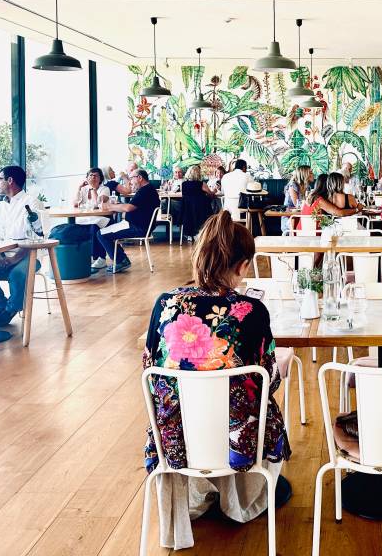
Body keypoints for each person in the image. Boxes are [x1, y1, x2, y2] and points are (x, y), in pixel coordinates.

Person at [143, 210, 289, 548]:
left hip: (176, 436)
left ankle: (198, 491)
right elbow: (270, 379)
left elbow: (150, 370)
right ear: (241, 266)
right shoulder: (252, 311)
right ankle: (240, 498)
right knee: (263, 402)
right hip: (239, 438)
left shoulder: (164, 304)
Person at [0, 165, 41, 327]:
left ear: (10, 181)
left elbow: (36, 236)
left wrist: (16, 258)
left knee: (18, 274)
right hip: (2, 253)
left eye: (0, 179)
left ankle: (11, 310)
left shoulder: (31, 202)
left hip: (27, 254)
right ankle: (0, 307)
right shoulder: (0, 205)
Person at [97, 168, 160, 273]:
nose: (130, 182)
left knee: (101, 234)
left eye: (131, 178)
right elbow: (130, 206)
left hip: (136, 227)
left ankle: (121, 261)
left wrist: (108, 206)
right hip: (138, 225)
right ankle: (121, 259)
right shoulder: (148, 189)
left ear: (139, 178)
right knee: (106, 230)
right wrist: (114, 206)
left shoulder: (144, 191)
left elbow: (128, 208)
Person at [71, 167, 112, 268]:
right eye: (91, 175)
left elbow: (97, 204)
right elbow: (75, 204)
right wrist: (79, 188)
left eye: (96, 175)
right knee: (75, 228)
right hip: (86, 218)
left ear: (100, 178)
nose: (93, 177)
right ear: (87, 178)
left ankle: (100, 258)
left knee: (94, 227)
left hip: (101, 218)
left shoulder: (105, 189)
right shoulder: (83, 189)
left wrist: (93, 189)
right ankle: (85, 256)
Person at [180, 165, 217, 241]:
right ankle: (202, 233)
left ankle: (190, 235)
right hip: (201, 210)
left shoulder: (183, 184)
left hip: (187, 211)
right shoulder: (201, 184)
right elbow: (211, 194)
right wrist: (214, 191)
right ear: (198, 174)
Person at [281, 165, 313, 232]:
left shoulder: (308, 187)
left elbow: (308, 204)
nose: (313, 174)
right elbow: (297, 204)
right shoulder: (293, 185)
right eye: (310, 172)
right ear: (304, 174)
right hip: (289, 217)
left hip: (301, 215)